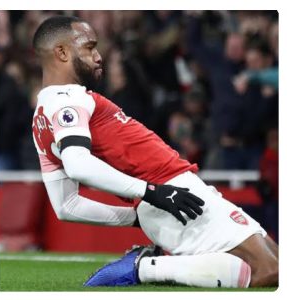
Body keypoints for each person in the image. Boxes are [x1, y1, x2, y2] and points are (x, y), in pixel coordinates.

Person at [32, 15, 278, 288]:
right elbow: (78, 165)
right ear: (62, 52)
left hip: (169, 196)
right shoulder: (69, 98)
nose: (99, 56)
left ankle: (147, 264)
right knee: (270, 271)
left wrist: (137, 215)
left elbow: (67, 207)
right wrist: (151, 193)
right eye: (89, 47)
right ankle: (145, 267)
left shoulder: (41, 119)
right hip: (171, 190)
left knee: (276, 263)